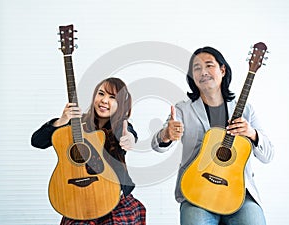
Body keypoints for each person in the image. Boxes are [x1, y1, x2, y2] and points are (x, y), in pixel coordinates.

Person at [151, 46, 274, 225]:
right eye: (197, 68)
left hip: (239, 194)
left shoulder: (245, 110)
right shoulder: (183, 110)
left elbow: (268, 155)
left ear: (222, 70)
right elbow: (157, 146)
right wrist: (166, 135)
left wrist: (252, 133)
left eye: (209, 65)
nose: (203, 72)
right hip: (196, 191)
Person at [31, 77, 146, 225]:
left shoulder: (120, 126)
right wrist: (60, 121)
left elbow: (129, 134)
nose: (104, 100)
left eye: (112, 97)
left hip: (114, 197)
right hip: (78, 198)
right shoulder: (74, 124)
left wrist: (129, 138)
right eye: (101, 93)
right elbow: (37, 141)